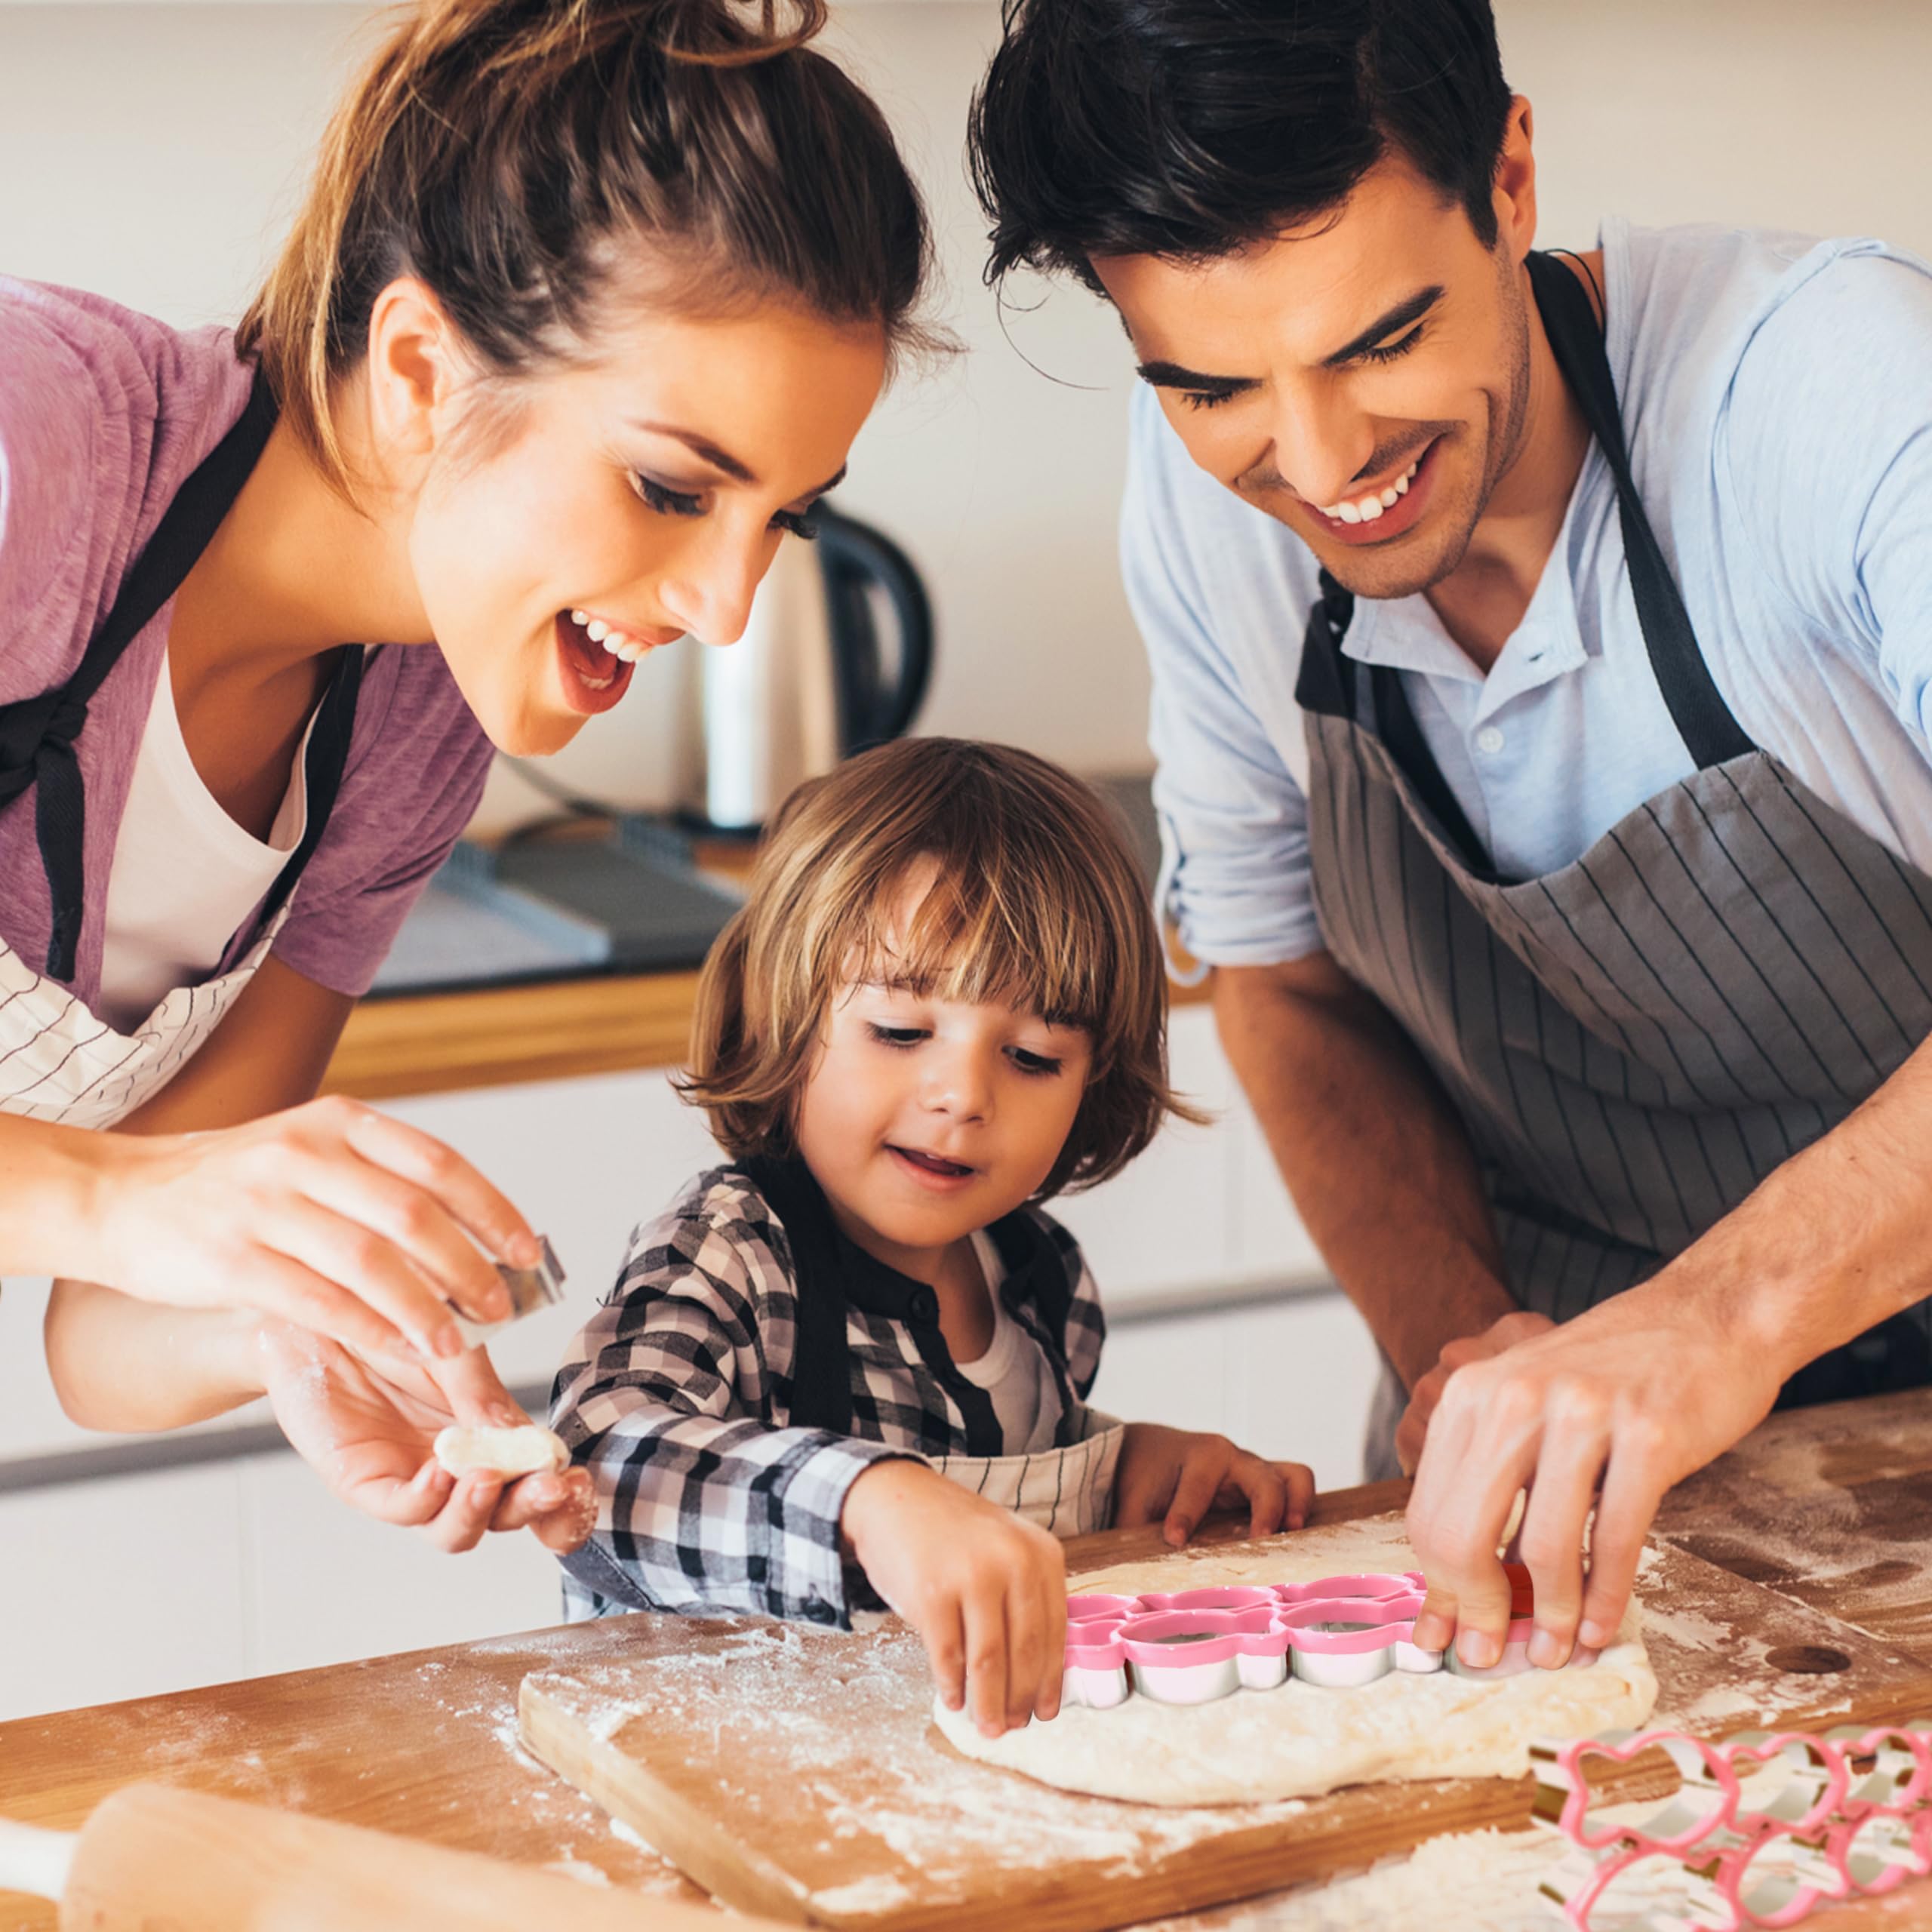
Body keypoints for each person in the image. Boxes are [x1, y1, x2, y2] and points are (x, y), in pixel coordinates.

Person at [968, 0, 1932, 1674]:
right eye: (1213, 384)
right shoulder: (1211, 505)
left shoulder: (1832, 394)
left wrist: (1709, 1322)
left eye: (1375, 341)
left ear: (1506, 178)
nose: (1321, 460)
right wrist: (1466, 1364)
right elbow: (1286, 984)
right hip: (1579, 1453)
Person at [2, 0, 934, 1556]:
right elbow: (112, 1216)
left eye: (780, 515)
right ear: (425, 369)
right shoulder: (43, 450)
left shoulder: (415, 721)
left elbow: (101, 1328)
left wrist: (296, 1323)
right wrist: (110, 1198)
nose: (724, 608)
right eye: (668, 486)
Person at [551, 738, 1315, 1737]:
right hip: (701, 1792)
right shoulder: (730, 1250)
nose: (963, 1096)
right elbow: (596, 1464)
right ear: (780, 1017)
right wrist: (868, 1502)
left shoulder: (1043, 1285)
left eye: (1034, 1056)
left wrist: (1125, 1473)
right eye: (903, 1034)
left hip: (929, 1787)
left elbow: (1005, 1525)